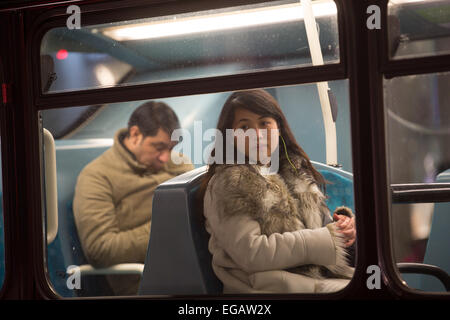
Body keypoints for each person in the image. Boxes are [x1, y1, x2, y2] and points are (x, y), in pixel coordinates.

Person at [199, 89, 356, 294]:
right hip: (266, 287)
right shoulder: (229, 184)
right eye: (245, 126)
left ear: (278, 128)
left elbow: (322, 227)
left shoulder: (292, 169)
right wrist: (327, 239)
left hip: (313, 278)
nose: (257, 135)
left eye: (264, 123)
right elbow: (252, 253)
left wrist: (343, 229)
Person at [73, 101, 194, 295]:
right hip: (150, 281)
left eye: (171, 148)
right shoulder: (97, 176)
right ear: (135, 134)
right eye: (158, 147)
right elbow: (100, 249)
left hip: (192, 265)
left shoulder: (178, 164)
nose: (165, 158)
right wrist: (164, 229)